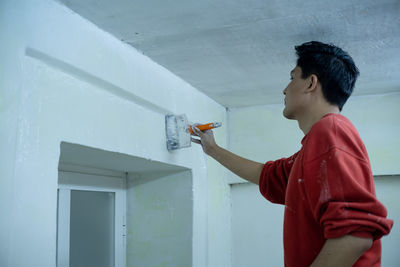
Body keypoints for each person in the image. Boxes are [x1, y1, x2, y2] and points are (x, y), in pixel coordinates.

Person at [191, 41, 393, 267]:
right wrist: (212, 149)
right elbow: (267, 175)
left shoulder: (331, 131)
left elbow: (355, 236)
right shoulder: (316, 145)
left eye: (292, 78)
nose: (285, 89)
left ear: (311, 82)